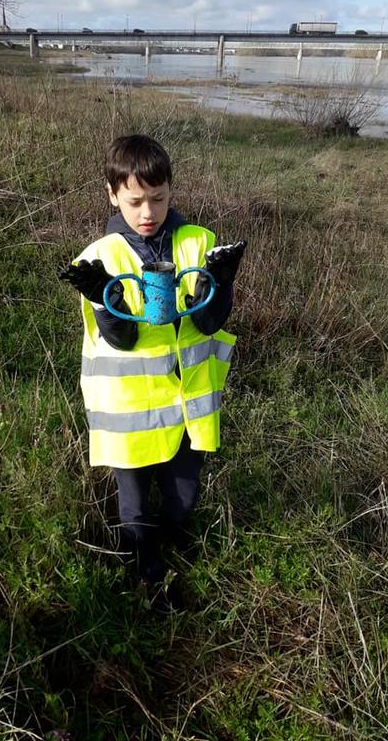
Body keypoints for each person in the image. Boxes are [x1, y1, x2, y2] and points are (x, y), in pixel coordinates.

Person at [60, 134, 246, 611]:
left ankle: (178, 546)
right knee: (135, 505)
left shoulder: (199, 243)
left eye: (158, 199)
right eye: (135, 201)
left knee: (183, 498)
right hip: (132, 413)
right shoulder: (99, 258)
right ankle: (147, 573)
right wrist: (104, 298)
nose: (148, 212)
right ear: (112, 194)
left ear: (170, 190)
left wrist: (221, 283)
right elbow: (121, 339)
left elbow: (208, 321)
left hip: (188, 409)